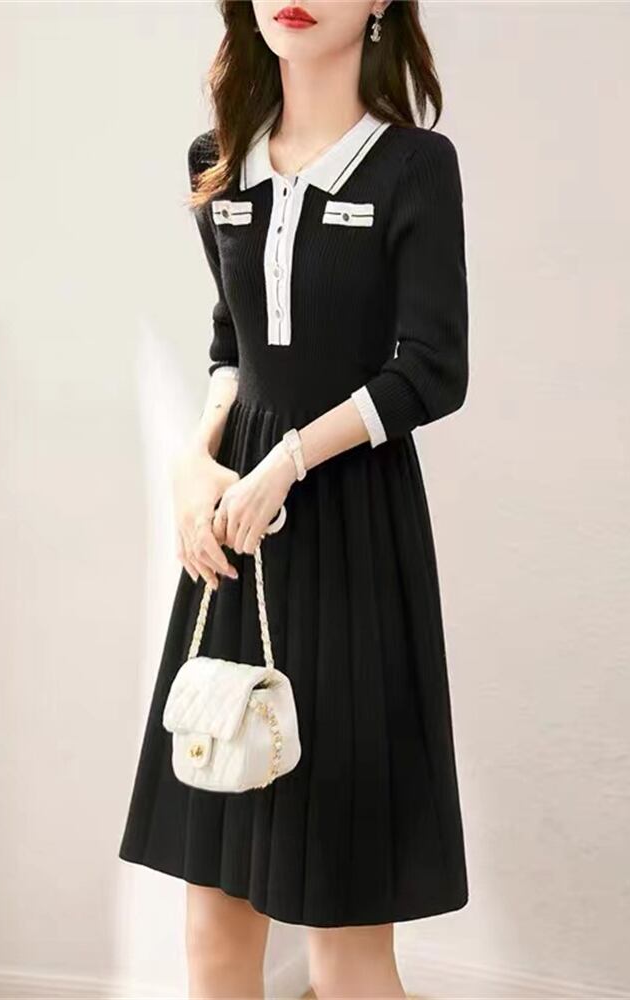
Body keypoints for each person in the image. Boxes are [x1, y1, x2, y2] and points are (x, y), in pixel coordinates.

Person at [119, 1, 470, 996]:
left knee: (344, 935)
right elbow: (232, 347)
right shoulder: (219, 164)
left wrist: (291, 461)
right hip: (238, 546)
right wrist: (194, 462)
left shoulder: (412, 167)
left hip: (355, 539)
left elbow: (432, 369)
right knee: (214, 920)